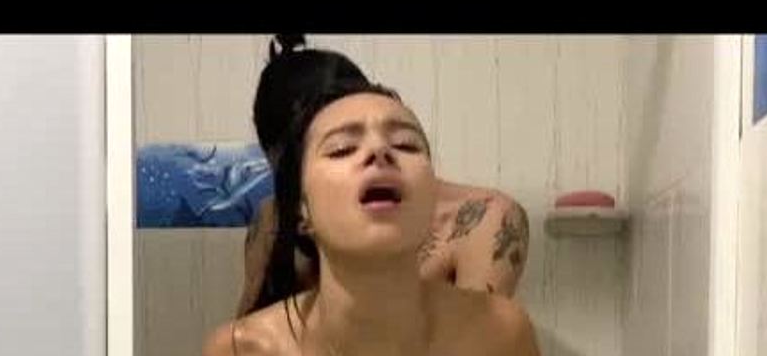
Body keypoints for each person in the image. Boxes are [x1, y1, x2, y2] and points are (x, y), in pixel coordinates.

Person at [204, 35, 540, 355]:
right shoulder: (241, 342)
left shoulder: (499, 330)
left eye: (406, 144)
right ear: (299, 204)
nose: (378, 150)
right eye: (341, 148)